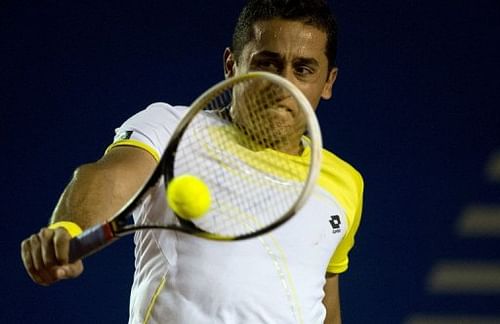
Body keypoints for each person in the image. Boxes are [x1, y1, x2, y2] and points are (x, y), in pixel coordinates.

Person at [20, 0, 364, 323]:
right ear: (232, 66)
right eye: (266, 63)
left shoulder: (345, 182)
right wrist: (68, 229)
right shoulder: (173, 127)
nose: (281, 84)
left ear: (328, 81)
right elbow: (108, 177)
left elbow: (323, 302)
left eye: (302, 69)